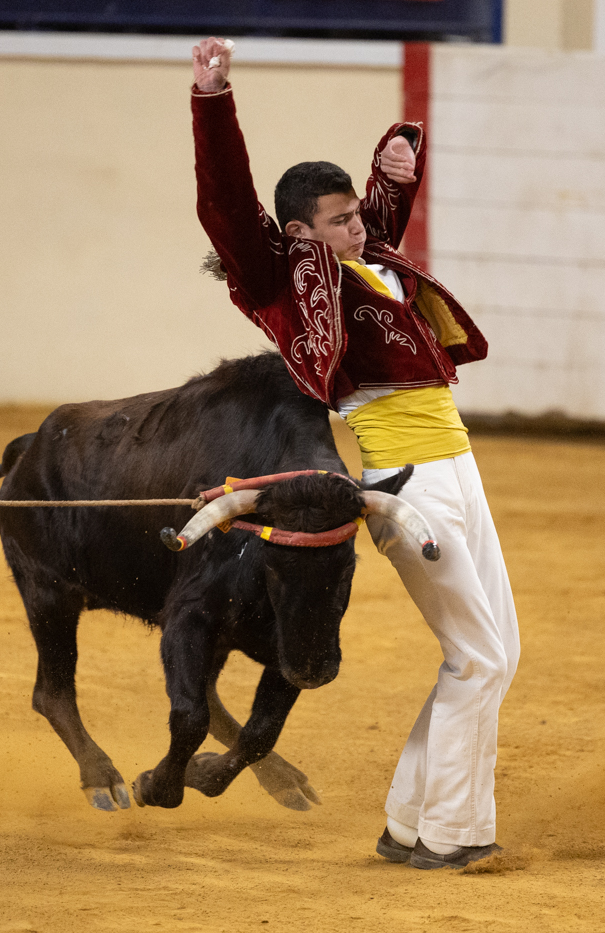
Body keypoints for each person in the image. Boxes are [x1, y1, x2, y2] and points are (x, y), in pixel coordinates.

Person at [189, 37, 520, 871]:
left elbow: (377, 214)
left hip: (456, 466)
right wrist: (212, 98)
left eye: (358, 213)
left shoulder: (366, 262)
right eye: (339, 220)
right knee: (475, 657)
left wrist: (395, 171)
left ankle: (410, 819)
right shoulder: (284, 280)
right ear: (299, 233)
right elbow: (226, 204)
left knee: (495, 654)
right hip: (406, 481)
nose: (360, 224)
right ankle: (448, 832)